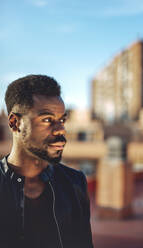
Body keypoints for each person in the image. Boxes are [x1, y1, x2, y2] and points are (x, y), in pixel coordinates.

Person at [0, 75, 94, 248]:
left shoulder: (76, 183)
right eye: (47, 120)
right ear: (15, 123)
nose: (61, 130)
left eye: (62, 120)